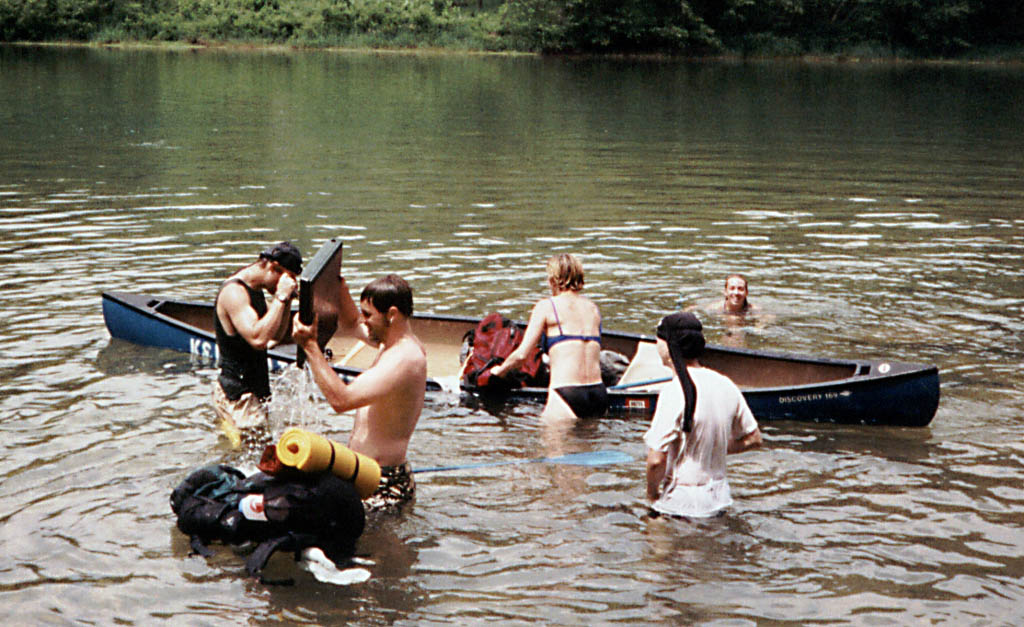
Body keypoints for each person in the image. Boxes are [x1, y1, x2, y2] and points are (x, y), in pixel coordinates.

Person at [292, 274, 427, 513]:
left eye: (369, 314)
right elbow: (352, 324)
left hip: (383, 483)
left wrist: (310, 346)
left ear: (392, 314)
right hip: (363, 473)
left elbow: (342, 400)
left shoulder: (405, 359)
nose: (365, 321)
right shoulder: (390, 341)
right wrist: (338, 289)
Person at [644, 311, 762, 519]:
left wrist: (652, 495)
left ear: (669, 346)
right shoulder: (725, 383)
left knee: (658, 550)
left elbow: (655, 460)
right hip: (720, 497)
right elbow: (754, 439)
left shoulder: (673, 391)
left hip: (681, 501)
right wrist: (714, 447)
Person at [490, 253, 607, 421]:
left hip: (566, 393)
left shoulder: (546, 307)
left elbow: (522, 355)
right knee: (589, 447)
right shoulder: (593, 309)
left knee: (550, 446)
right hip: (597, 393)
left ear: (553, 279)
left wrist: (498, 372)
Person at [213, 241, 302, 448]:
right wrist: (280, 296)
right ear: (274, 268)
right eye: (288, 278)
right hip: (239, 396)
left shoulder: (256, 289)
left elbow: (274, 337)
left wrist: (287, 301)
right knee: (254, 458)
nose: (289, 283)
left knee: (256, 453)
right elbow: (258, 338)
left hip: (254, 392)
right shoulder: (235, 293)